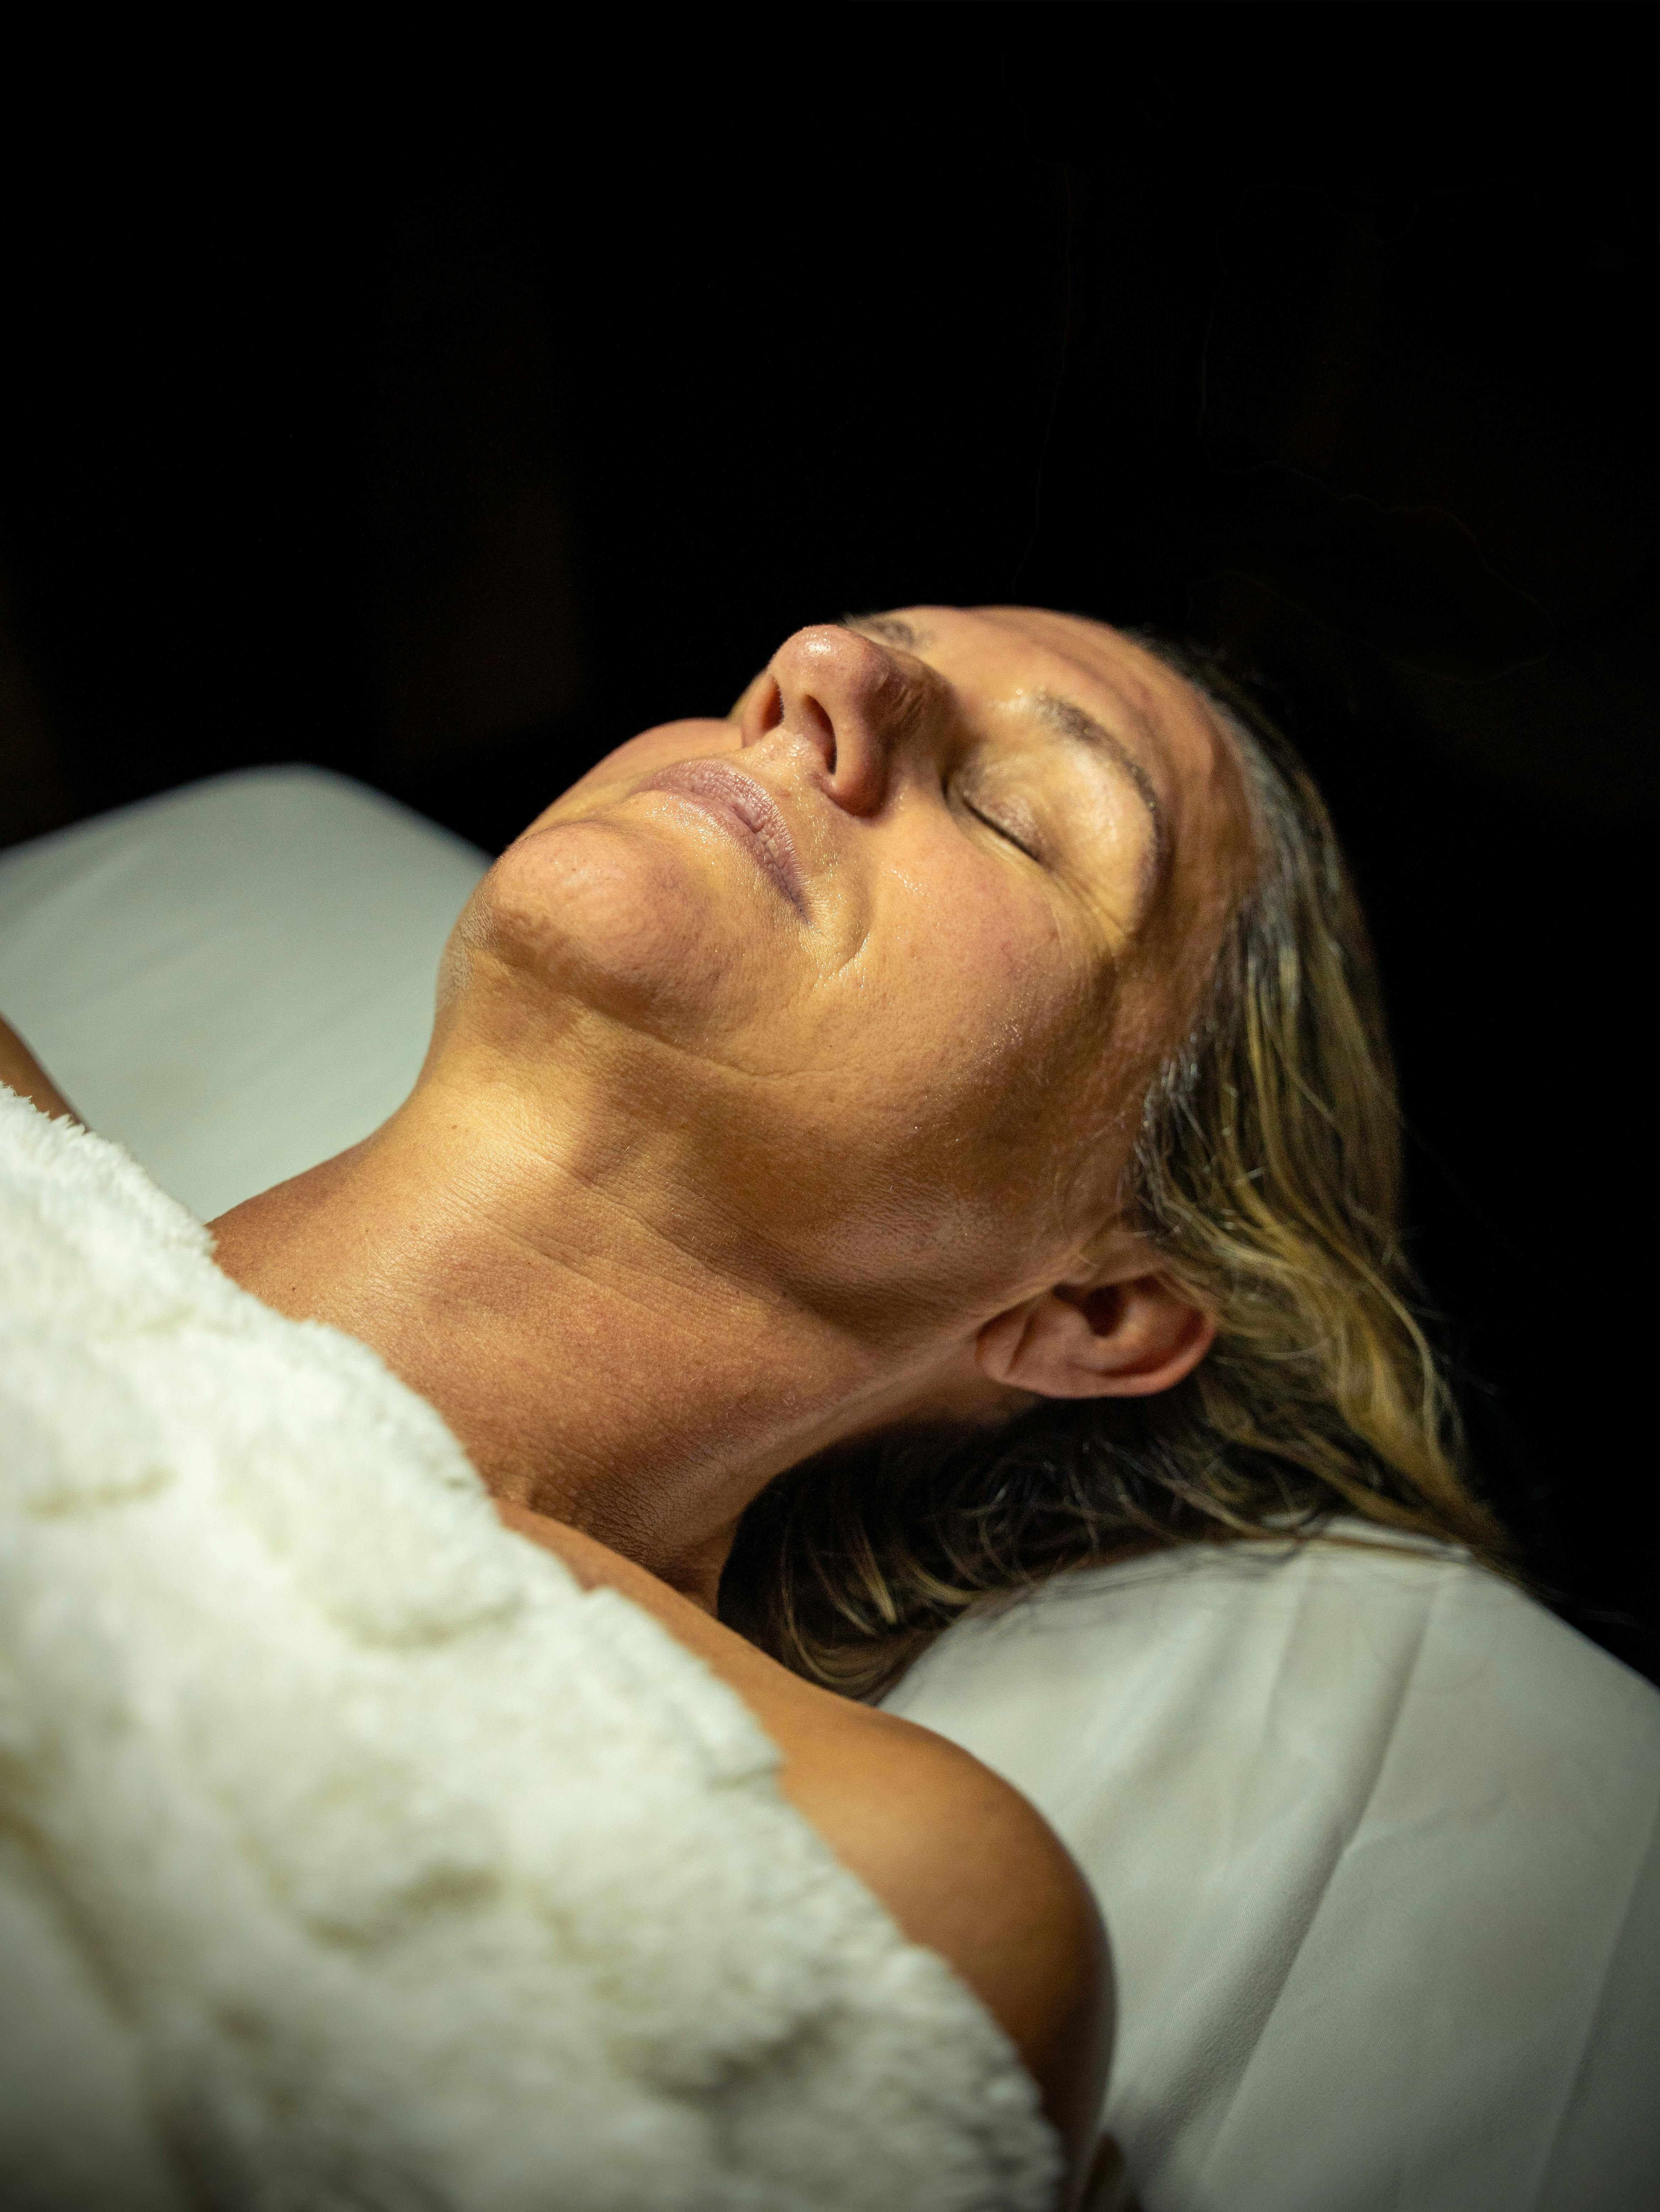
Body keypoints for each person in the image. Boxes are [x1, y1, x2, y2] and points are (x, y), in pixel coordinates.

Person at [4, 606, 1654, 2210]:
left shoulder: (853, 1884)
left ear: (1090, 1311)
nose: (820, 667)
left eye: (1013, 814)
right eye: (829, 647)